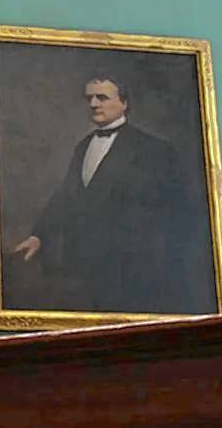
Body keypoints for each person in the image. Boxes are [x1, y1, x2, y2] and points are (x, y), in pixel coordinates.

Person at [12, 76, 197, 314]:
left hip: (133, 272)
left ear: (124, 103)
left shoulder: (154, 150)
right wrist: (39, 236)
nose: (94, 104)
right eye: (90, 98)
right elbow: (66, 197)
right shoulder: (83, 146)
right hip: (83, 270)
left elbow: (175, 211)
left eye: (102, 97)